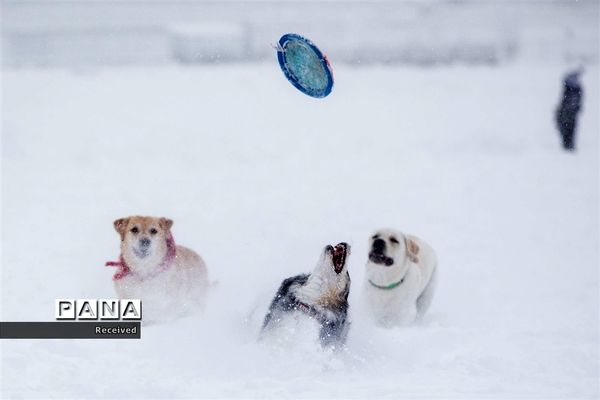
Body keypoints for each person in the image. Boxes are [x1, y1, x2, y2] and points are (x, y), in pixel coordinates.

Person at [556, 69, 583, 151]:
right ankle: (568, 145)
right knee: (568, 129)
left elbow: (573, 103)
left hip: (569, 112)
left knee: (568, 129)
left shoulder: (572, 89)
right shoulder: (573, 89)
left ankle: (568, 145)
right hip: (568, 112)